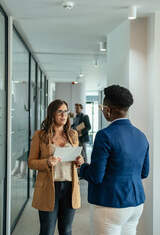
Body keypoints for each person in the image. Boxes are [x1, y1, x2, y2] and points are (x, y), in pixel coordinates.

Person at [80, 85, 149, 235]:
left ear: (108, 109)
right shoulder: (141, 136)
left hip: (110, 204)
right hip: (135, 204)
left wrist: (82, 167)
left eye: (102, 108)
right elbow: (144, 172)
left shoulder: (105, 135)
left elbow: (96, 176)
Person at [28, 99, 84, 235]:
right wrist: (47, 162)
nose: (64, 115)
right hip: (49, 187)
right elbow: (31, 162)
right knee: (47, 231)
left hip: (70, 187)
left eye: (65, 111)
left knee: (66, 230)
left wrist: (79, 162)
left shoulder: (73, 134)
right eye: (60, 112)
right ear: (52, 113)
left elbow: (75, 164)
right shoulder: (40, 135)